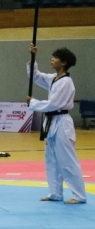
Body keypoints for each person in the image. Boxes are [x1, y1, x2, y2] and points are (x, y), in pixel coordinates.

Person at [27, 44, 86, 204]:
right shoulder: (54, 79)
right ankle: (55, 193)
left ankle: (79, 195)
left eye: (56, 57)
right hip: (51, 123)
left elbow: (54, 104)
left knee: (67, 160)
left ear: (64, 62)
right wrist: (33, 58)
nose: (52, 59)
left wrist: (34, 103)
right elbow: (36, 76)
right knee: (51, 159)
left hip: (61, 122)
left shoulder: (66, 82)